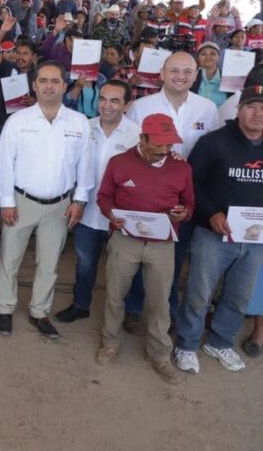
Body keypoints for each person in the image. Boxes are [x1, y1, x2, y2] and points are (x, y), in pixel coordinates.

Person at [0, 61, 94, 339]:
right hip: (21, 201)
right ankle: (5, 308)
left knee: (49, 264)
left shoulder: (79, 123)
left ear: (65, 86)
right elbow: (5, 165)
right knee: (9, 259)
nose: (49, 86)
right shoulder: (18, 121)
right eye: (43, 81)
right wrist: (6, 201)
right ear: (34, 85)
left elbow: (86, 166)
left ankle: (39, 311)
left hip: (60, 205)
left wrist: (80, 200)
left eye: (55, 81)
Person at [93, 114, 192, 385]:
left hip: (163, 244)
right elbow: (104, 196)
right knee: (115, 294)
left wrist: (183, 213)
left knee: (159, 301)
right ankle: (111, 342)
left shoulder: (181, 168)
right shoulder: (120, 163)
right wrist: (110, 214)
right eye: (158, 144)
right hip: (125, 239)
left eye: (169, 144)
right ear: (142, 139)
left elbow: (189, 204)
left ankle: (160, 354)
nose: (164, 150)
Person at [174, 83, 263, 374]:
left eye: (262, 108)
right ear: (238, 111)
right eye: (250, 106)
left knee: (238, 296)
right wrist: (211, 212)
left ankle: (220, 342)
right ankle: (186, 344)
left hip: (255, 238)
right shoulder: (213, 142)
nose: (257, 113)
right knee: (200, 292)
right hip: (213, 233)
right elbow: (192, 183)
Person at [126, 51, 221, 316]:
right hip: (147, 196)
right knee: (138, 254)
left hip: (186, 199)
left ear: (195, 75)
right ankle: (133, 310)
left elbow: (214, 153)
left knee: (174, 259)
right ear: (162, 74)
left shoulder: (207, 109)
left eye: (187, 72)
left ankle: (165, 313)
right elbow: (130, 151)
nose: (180, 76)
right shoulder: (141, 107)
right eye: (175, 71)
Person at [55, 80, 146, 332]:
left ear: (127, 104)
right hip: (87, 211)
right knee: (85, 262)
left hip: (122, 215)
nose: (106, 106)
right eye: (103, 99)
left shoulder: (137, 135)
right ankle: (81, 305)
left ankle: (131, 312)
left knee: (126, 266)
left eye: (115, 100)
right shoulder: (85, 127)